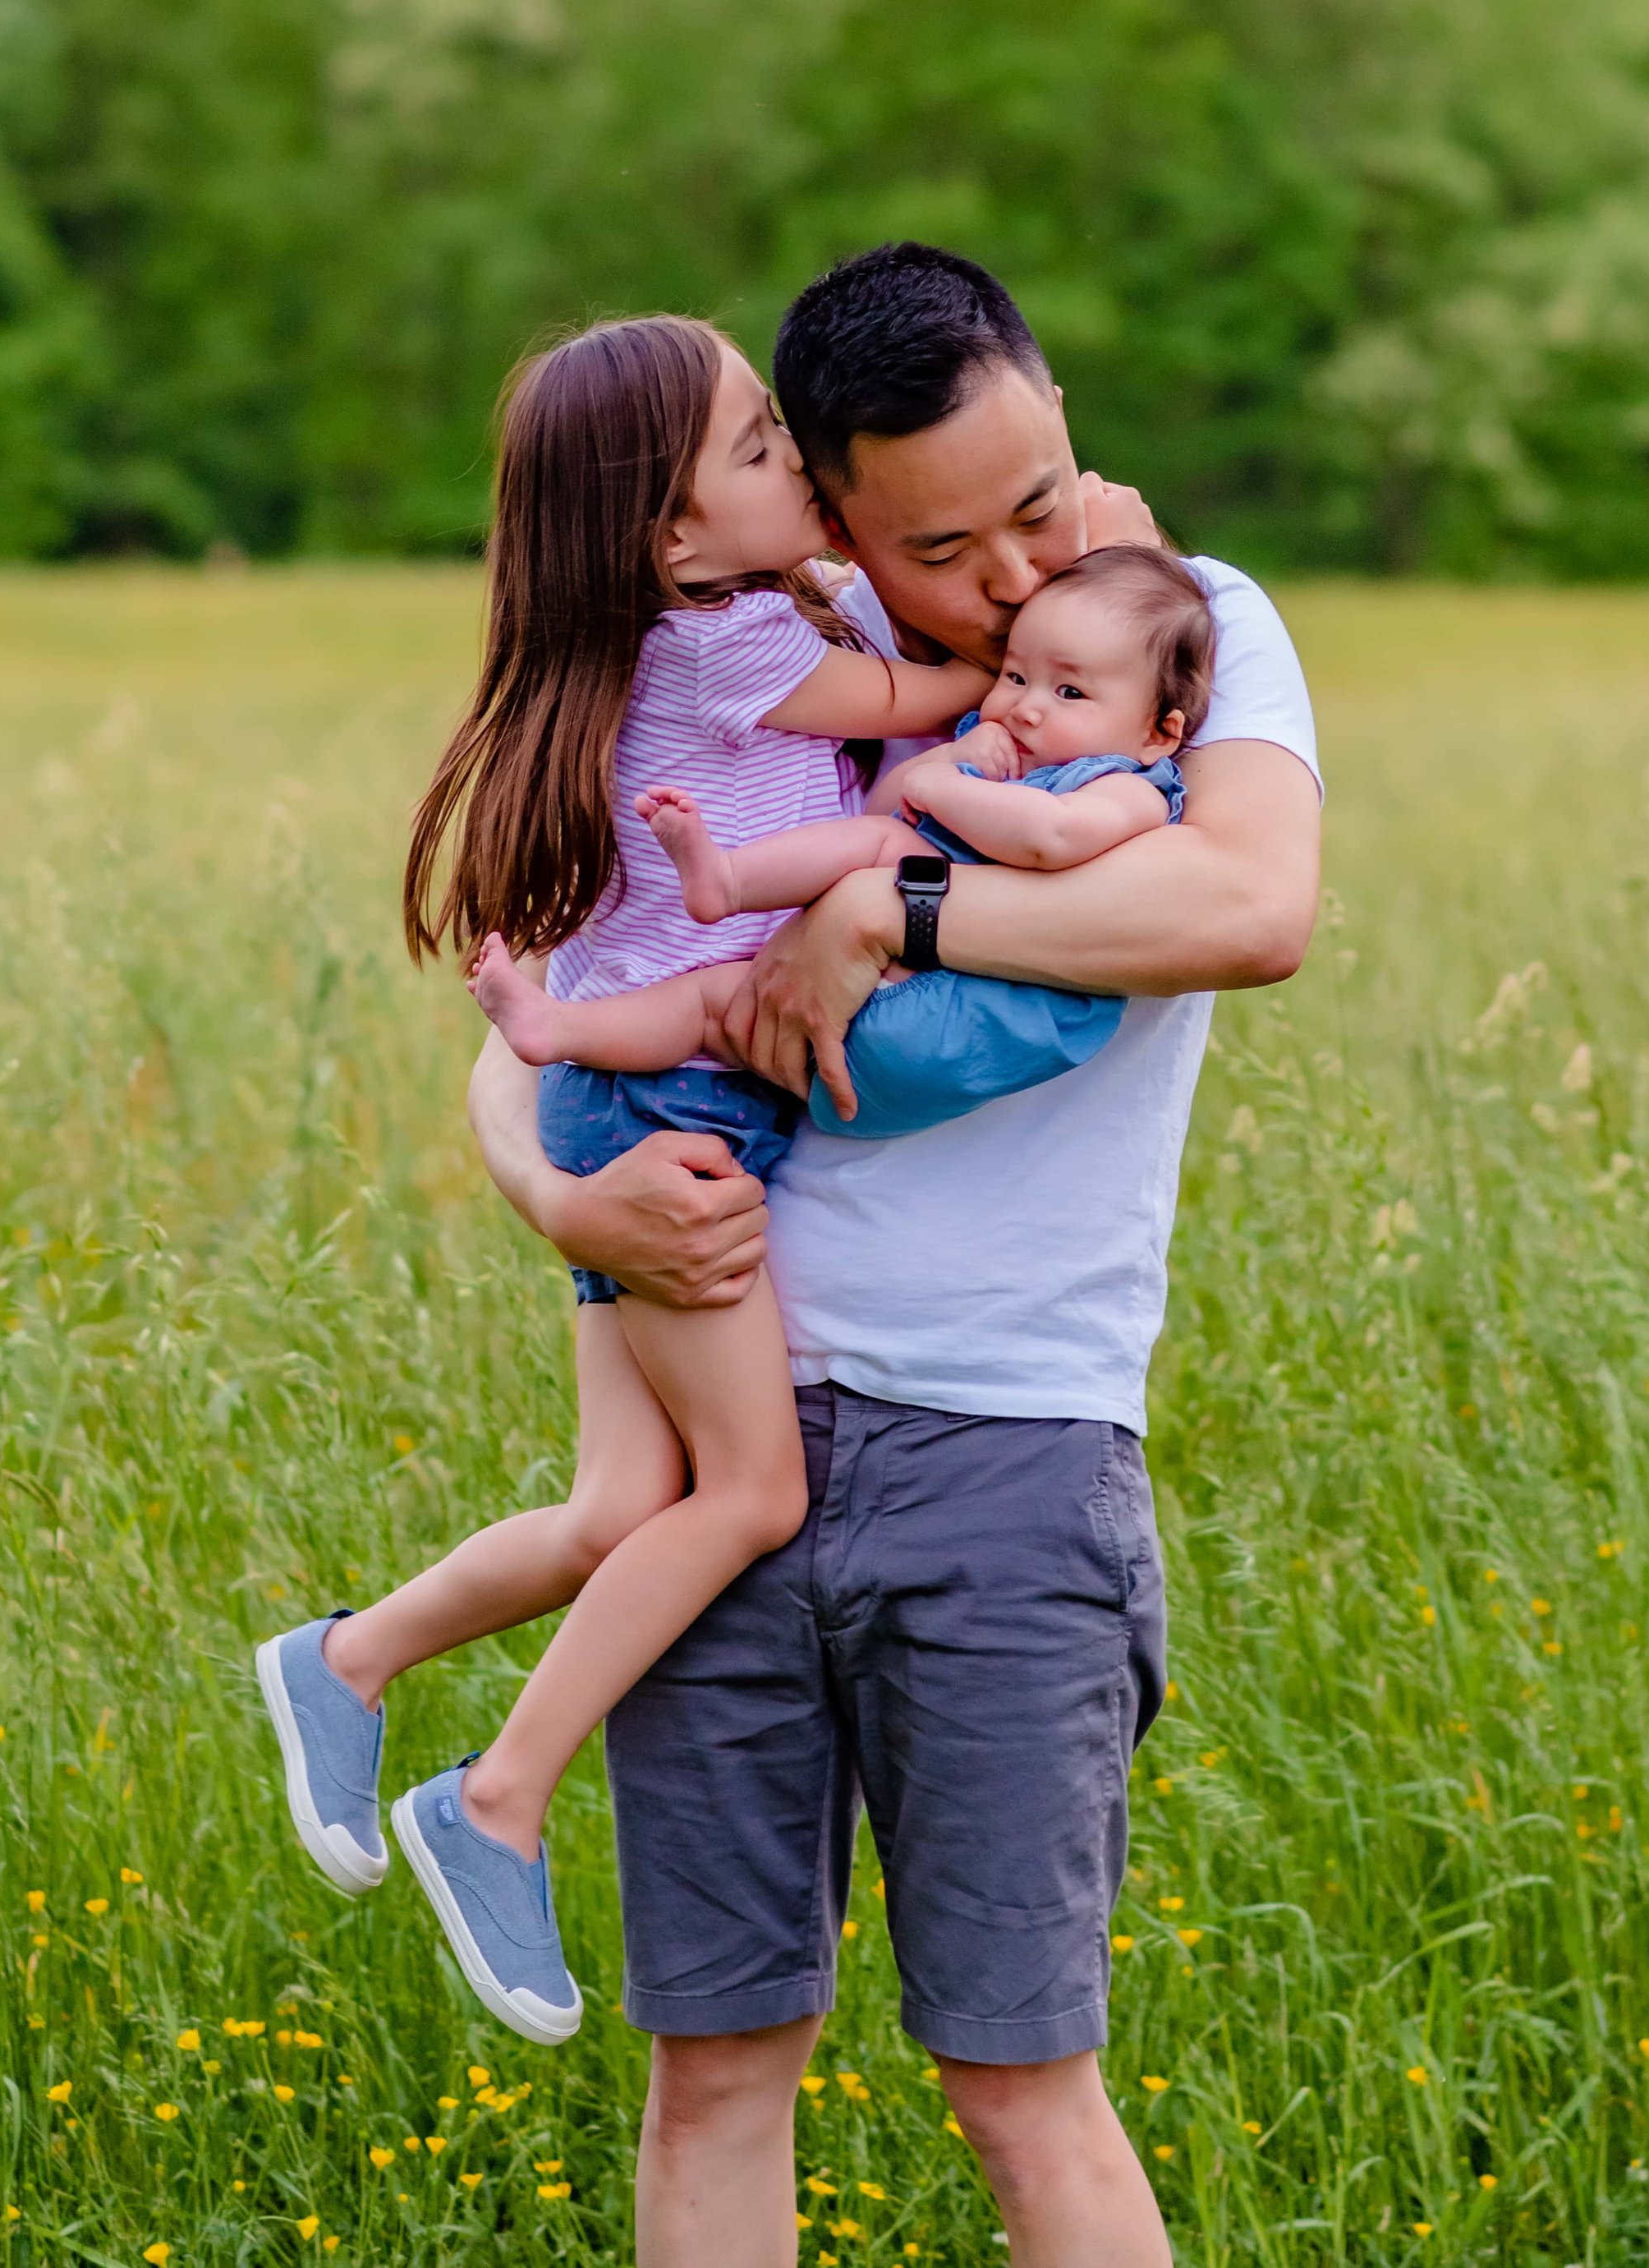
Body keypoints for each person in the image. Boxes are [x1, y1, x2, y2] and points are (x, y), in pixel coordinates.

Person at [467, 244, 1324, 2268]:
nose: (1023, 579)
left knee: (1020, 2085)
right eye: (949, 546)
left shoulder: (1186, 631)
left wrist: (891, 921)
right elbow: (560, 1018)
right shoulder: (772, 651)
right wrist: (562, 1202)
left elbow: (1244, 904)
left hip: (1008, 1453)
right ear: (833, 522)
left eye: (1043, 500)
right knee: (716, 2061)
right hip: (724, 1446)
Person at [255, 313, 986, 2045]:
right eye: (755, 449)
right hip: (679, 1125)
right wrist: (1068, 591)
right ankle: (494, 1797)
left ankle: (344, 1661)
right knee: (747, 1499)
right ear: (667, 541)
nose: (795, 464)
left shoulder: (738, 613)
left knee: (609, 1511)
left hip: (619, 1105)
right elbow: (940, 692)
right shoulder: (723, 646)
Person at [472, 541, 1214, 1139]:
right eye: (1015, 674)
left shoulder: (1130, 785)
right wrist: (942, 762)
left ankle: (728, 885)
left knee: (886, 849)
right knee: (713, 1000)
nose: (1025, 708)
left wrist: (945, 786)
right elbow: (891, 808)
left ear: (1160, 731)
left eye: (1070, 692)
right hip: (849, 1028)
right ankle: (572, 1017)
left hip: (962, 1013)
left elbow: (1049, 840)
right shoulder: (990, 754)